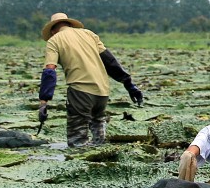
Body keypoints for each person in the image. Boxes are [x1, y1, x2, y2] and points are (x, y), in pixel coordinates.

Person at [37, 12, 144, 148]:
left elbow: (50, 71)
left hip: (81, 92)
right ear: (69, 24)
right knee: (99, 137)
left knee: (77, 141)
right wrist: (129, 85)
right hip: (102, 92)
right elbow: (110, 62)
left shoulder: (55, 40)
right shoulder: (89, 34)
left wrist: (44, 101)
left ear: (52, 31)